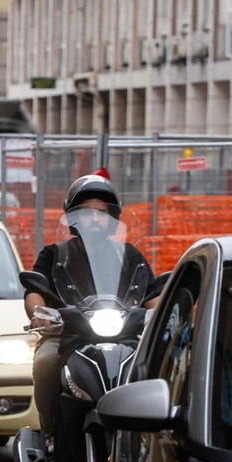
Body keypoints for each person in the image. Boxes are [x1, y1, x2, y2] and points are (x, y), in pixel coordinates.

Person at [22, 174, 157, 442]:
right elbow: (34, 292)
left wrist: (162, 314)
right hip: (68, 333)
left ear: (112, 219)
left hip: (123, 334)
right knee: (46, 361)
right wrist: (40, 314)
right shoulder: (54, 254)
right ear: (73, 218)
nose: (95, 218)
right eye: (86, 213)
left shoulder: (129, 255)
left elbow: (152, 294)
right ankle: (51, 436)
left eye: (101, 213)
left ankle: (147, 439)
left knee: (152, 363)